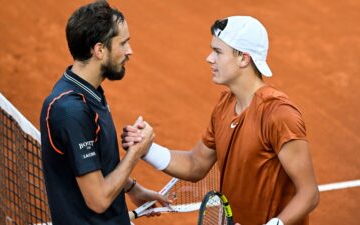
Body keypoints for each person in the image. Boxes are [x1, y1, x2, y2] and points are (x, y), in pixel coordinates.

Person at [122, 16, 319, 225]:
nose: (209, 58)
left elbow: (309, 194)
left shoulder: (279, 114)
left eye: (218, 51)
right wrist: (146, 149)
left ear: (244, 58)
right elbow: (195, 164)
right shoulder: (225, 105)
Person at [39, 1, 169, 225]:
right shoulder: (71, 110)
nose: (130, 51)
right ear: (99, 50)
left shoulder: (89, 91)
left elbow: (93, 164)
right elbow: (98, 199)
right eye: (123, 43)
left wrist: (132, 188)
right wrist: (135, 153)